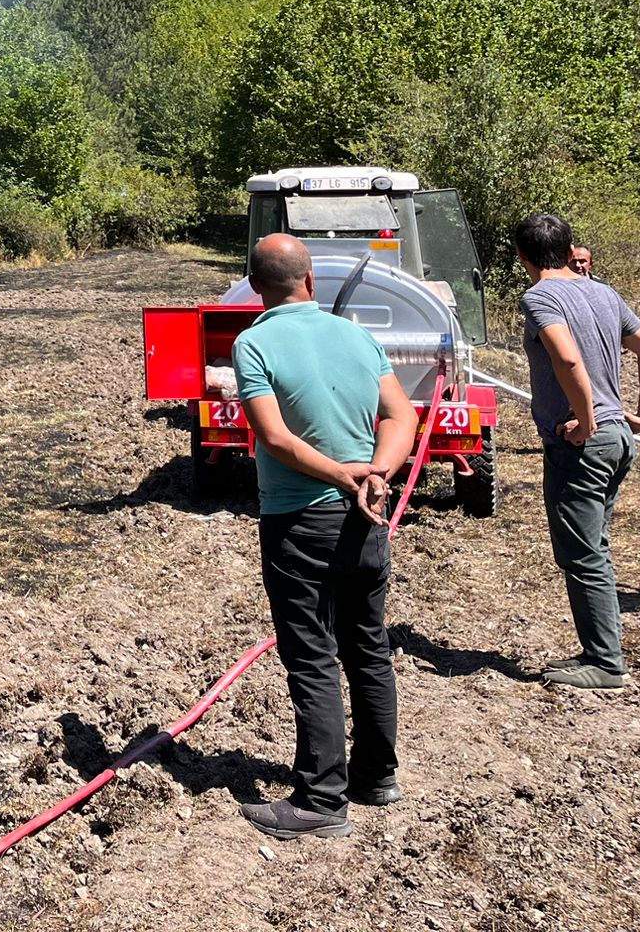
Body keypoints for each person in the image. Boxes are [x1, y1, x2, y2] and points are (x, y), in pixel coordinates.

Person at [231, 234, 420, 839]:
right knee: (367, 642)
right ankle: (375, 776)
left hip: (298, 521)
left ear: (257, 288)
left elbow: (276, 440)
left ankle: (320, 799)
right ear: (311, 280)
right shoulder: (358, 336)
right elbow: (403, 415)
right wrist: (377, 474)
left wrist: (343, 475)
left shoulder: (254, 342)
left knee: (312, 655)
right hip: (366, 515)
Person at [515, 213, 640, 689]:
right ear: (567, 249)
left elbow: (566, 356)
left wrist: (588, 416)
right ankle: (601, 649)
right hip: (618, 438)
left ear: (524, 257)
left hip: (583, 442)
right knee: (594, 546)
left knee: (582, 555)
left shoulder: (539, 297)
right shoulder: (602, 292)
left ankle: (604, 662)